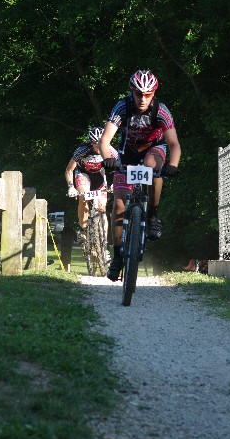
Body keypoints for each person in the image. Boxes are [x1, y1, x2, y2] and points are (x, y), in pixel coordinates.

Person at [99, 69, 181, 281]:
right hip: (127, 153)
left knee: (152, 167)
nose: (142, 99)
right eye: (138, 94)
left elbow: (174, 145)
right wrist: (107, 157)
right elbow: (105, 140)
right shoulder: (122, 107)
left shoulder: (161, 111)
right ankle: (117, 257)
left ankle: (152, 215)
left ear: (153, 93)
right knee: (118, 204)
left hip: (154, 149)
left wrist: (172, 165)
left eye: (147, 95)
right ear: (132, 92)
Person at [65, 127, 118, 241]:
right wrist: (71, 187)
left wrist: (115, 183)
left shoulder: (111, 151)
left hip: (99, 176)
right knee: (83, 197)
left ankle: (103, 242)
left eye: (100, 144)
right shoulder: (82, 150)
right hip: (83, 174)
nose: (98, 147)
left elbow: (119, 169)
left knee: (102, 208)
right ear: (90, 143)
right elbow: (69, 170)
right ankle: (83, 229)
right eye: (95, 144)